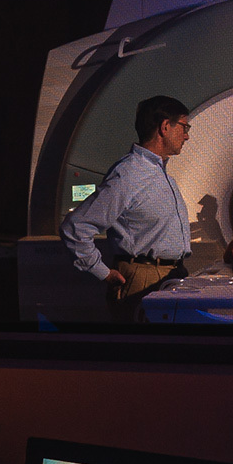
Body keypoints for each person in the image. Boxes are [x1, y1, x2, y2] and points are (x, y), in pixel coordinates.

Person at [58, 94, 194, 319]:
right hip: (142, 278)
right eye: (184, 126)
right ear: (164, 127)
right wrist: (103, 272)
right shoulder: (129, 174)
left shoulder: (162, 174)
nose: (187, 135)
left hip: (171, 274)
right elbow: (76, 228)